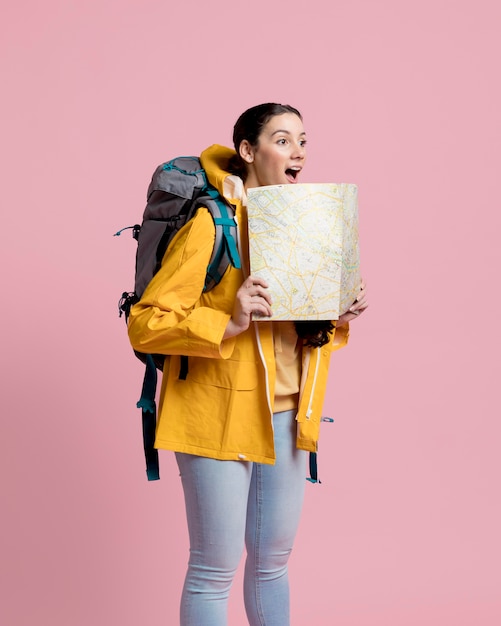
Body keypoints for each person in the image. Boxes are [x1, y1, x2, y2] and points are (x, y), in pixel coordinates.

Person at [127, 103, 368, 626]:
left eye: (303, 140)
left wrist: (334, 315)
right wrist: (227, 321)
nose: (298, 150)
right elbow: (145, 324)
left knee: (272, 565)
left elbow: (296, 336)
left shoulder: (304, 225)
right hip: (214, 416)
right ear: (247, 151)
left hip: (286, 415)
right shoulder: (210, 225)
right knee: (214, 570)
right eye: (282, 140)